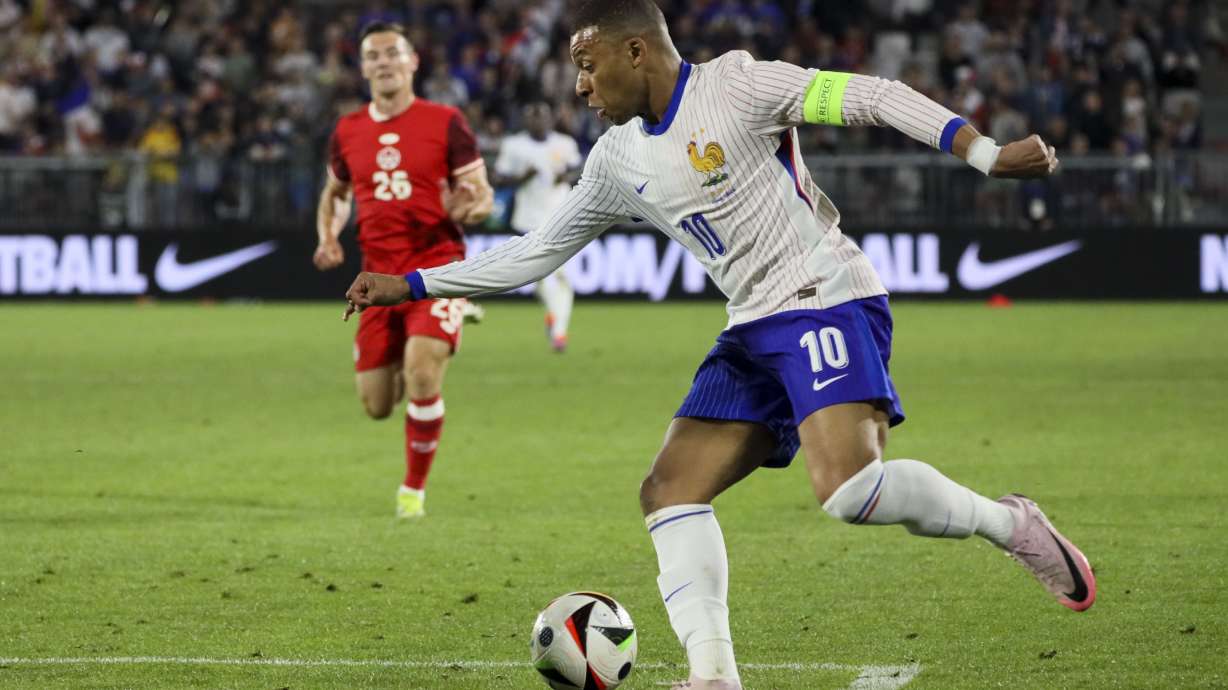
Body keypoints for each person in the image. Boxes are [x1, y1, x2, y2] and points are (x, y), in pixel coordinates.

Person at [342, 1, 1095, 687]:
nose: (579, 86)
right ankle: (714, 676)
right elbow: (536, 253)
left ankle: (1010, 524)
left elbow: (873, 95)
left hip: (824, 297)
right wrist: (412, 285)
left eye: (587, 65)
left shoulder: (738, 86)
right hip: (751, 326)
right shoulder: (616, 159)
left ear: (636, 51)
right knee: (669, 492)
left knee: (849, 491)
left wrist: (986, 154)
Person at [315, 21, 493, 519]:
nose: (384, 62)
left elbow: (482, 195)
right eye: (373, 55)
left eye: (393, 52)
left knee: (421, 373)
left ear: (413, 61)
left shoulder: (445, 121)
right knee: (377, 404)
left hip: (437, 268)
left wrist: (469, 208)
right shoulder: (348, 130)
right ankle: (446, 325)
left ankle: (412, 492)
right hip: (376, 279)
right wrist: (327, 236)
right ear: (363, 67)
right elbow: (336, 194)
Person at [492, 101, 583, 352]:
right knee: (540, 279)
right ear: (525, 121)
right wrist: (522, 177)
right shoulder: (514, 145)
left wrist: (566, 176)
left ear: (550, 119)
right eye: (533, 117)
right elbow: (498, 178)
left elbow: (578, 169)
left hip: (562, 217)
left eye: (542, 116)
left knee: (562, 276)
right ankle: (553, 316)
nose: (538, 121)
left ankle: (559, 332)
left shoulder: (565, 143)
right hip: (528, 220)